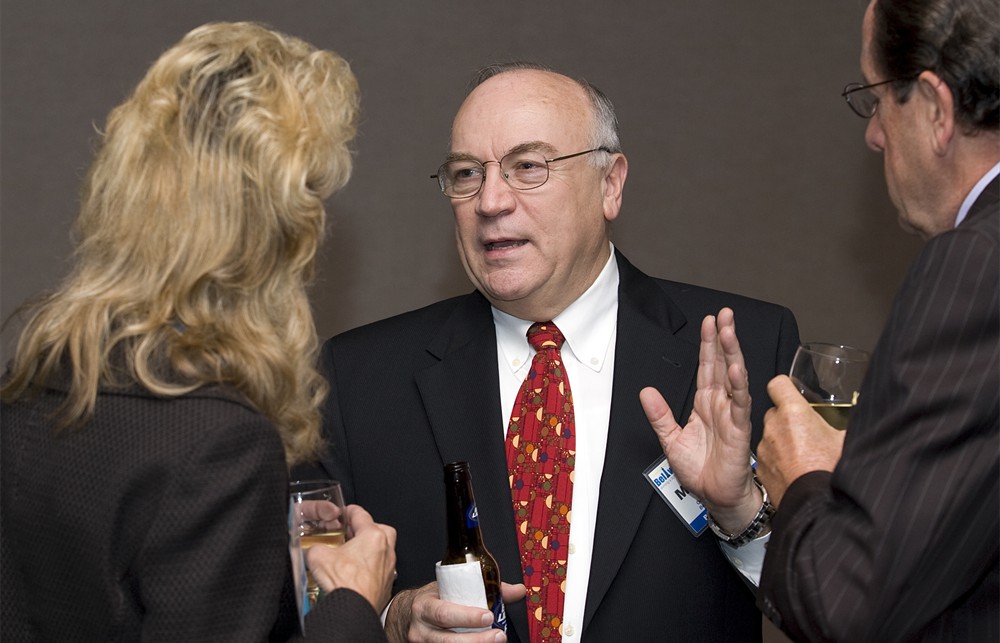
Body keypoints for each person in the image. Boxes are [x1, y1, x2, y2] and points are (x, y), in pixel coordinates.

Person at [294, 61, 800, 642]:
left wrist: (741, 513)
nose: (490, 201)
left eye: (528, 167)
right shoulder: (360, 378)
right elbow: (298, 602)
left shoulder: (747, 348)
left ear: (610, 184)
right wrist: (393, 619)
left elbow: (831, 609)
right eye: (466, 174)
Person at [0, 22, 396, 642]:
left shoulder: (33, 378)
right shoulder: (220, 442)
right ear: (273, 233)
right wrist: (353, 602)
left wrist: (255, 531)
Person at [645, 0, 999, 640]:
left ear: (937, 109)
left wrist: (804, 477)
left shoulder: (973, 269)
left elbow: (849, 605)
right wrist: (742, 506)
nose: (872, 135)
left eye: (875, 99)